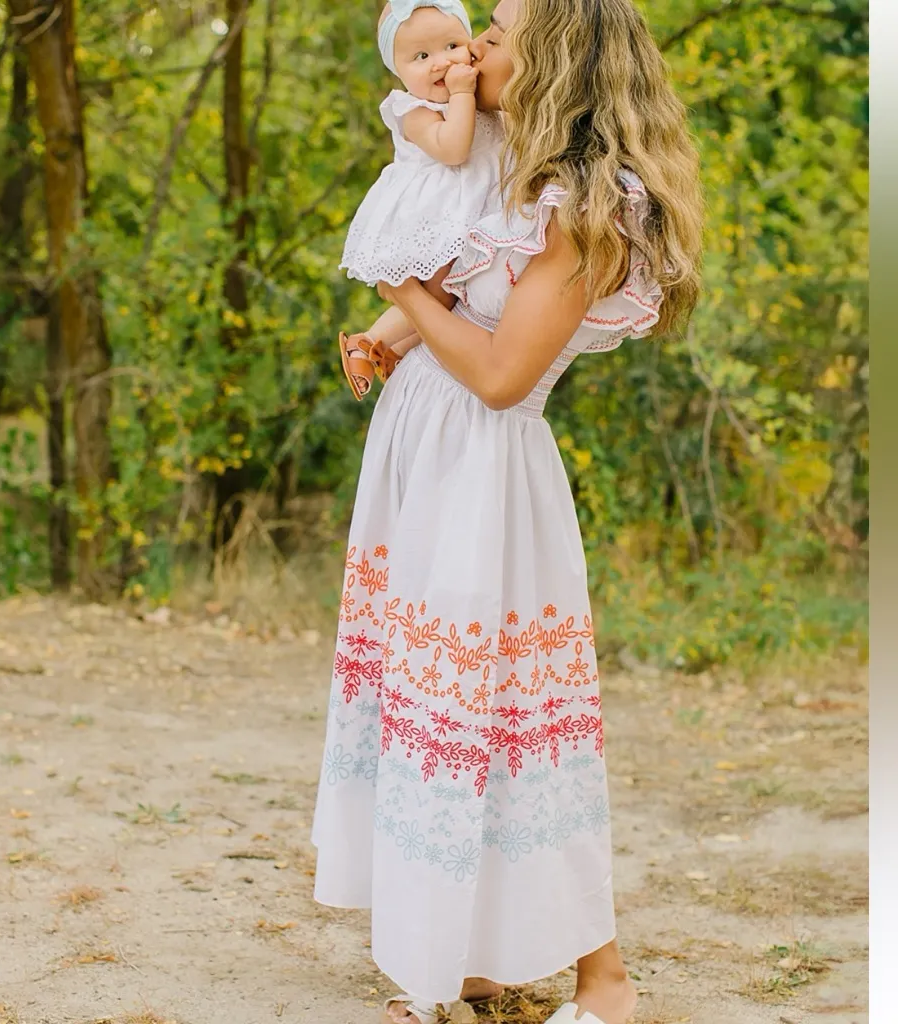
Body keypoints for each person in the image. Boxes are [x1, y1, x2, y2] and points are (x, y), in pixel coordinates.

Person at [311, 2, 704, 1023]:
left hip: (485, 475)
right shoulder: (505, 180)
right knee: (442, 719)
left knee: (513, 728)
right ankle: (467, 966)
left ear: (551, 59)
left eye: (495, 31)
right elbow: (466, 300)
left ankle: (605, 981)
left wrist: (403, 286)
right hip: (426, 455)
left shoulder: (584, 212)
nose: (472, 47)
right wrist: (391, 334)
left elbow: (498, 374)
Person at [338, 0, 504, 399]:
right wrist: (462, 93)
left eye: (452, 46)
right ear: (398, 70)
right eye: (421, 57)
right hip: (435, 214)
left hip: (472, 209)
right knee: (436, 295)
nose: (441, 63)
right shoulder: (414, 111)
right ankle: (366, 341)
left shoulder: (476, 93)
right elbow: (453, 150)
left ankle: (394, 351)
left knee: (451, 300)